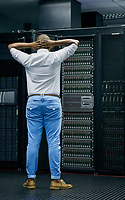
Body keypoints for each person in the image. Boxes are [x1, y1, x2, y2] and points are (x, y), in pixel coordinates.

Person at [8, 34, 79, 190]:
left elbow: (11, 46)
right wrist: (54, 43)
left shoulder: (28, 59)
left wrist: (31, 44)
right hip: (52, 101)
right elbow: (74, 42)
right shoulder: (55, 56)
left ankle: (31, 180)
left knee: (33, 141)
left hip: (33, 102)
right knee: (53, 142)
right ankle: (55, 180)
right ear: (49, 45)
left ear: (37, 45)